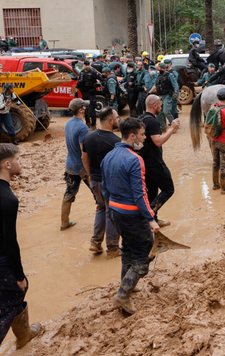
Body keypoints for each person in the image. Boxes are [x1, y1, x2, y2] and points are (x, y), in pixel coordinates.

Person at [0, 144, 43, 355]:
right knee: (9, 302)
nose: (21, 163)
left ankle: (24, 335)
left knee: (8, 295)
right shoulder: (8, 199)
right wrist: (20, 275)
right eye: (19, 159)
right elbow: (10, 242)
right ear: (7, 164)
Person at [101, 117, 160, 315]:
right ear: (133, 136)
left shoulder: (108, 157)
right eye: (143, 135)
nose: (144, 138)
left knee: (127, 248)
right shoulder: (136, 159)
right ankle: (123, 294)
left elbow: (105, 188)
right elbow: (140, 193)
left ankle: (128, 283)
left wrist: (110, 212)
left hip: (115, 212)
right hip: (132, 214)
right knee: (144, 254)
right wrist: (151, 218)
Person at [82, 107, 121, 258]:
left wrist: (90, 175)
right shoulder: (116, 142)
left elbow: (83, 158)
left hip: (94, 181)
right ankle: (112, 248)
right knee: (112, 212)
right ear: (110, 120)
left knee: (100, 208)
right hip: (109, 183)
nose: (118, 121)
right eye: (117, 118)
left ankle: (96, 242)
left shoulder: (88, 137)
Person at [139, 95, 180, 227]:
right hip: (154, 162)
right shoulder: (152, 121)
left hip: (143, 163)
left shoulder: (140, 118)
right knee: (168, 189)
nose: (161, 108)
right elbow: (158, 141)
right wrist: (172, 128)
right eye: (160, 106)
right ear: (155, 105)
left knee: (152, 192)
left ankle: (153, 219)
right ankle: (148, 215)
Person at [60, 99, 92, 231]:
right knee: (99, 193)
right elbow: (84, 152)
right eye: (84, 106)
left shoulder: (68, 123)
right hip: (82, 167)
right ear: (81, 110)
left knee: (69, 194)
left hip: (70, 165)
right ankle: (108, 221)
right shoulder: (82, 127)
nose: (86, 108)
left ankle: (64, 223)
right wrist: (90, 171)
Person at [76, 61, 100, 128]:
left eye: (88, 65)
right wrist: (75, 92)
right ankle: (87, 123)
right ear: (83, 65)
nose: (87, 66)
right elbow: (78, 84)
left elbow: (100, 78)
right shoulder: (81, 73)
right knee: (85, 110)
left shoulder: (93, 72)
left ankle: (93, 124)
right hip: (84, 94)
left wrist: (102, 84)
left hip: (91, 93)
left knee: (92, 109)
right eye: (86, 65)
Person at [151, 62, 175, 129]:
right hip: (160, 96)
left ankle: (174, 125)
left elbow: (175, 85)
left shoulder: (169, 75)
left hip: (167, 95)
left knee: (166, 111)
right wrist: (149, 93)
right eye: (159, 68)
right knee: (159, 112)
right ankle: (162, 126)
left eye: (161, 68)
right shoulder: (158, 76)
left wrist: (175, 93)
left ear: (164, 68)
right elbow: (155, 85)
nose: (160, 69)